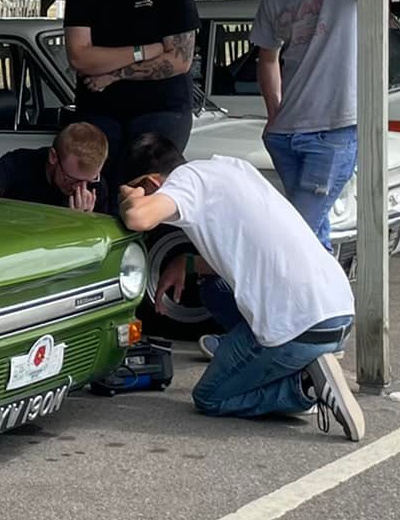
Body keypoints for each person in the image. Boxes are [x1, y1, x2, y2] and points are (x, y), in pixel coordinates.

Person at [117, 134, 364, 441]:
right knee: (214, 288)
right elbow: (246, 249)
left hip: (299, 327)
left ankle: (304, 386)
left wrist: (128, 196)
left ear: (152, 182)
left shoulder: (184, 183)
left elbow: (137, 217)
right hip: (338, 313)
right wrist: (188, 263)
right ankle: (283, 360)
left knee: (210, 397)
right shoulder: (232, 168)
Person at [250, 0, 362, 251]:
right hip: (286, 132)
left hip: (334, 128)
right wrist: (274, 114)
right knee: (312, 234)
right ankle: (324, 291)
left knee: (296, 232)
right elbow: (267, 58)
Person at [63, 0, 199, 191]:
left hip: (162, 107)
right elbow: (79, 56)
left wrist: (113, 75)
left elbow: (179, 60)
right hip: (100, 108)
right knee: (97, 187)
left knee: (144, 189)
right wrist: (144, 50)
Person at [0, 122, 112, 212]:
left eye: (89, 180)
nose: (79, 188)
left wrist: (86, 223)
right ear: (53, 157)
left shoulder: (96, 187)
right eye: (71, 179)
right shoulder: (19, 163)